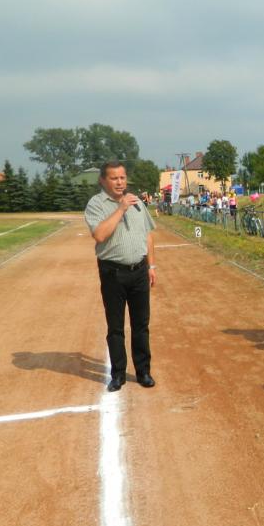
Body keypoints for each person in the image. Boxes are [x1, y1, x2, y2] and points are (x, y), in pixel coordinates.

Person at [84, 161, 157, 392]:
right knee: (115, 327)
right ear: (103, 180)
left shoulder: (137, 202)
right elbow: (99, 235)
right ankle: (117, 374)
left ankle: (143, 371)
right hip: (113, 274)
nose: (120, 182)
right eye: (114, 178)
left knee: (141, 324)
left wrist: (151, 266)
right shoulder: (96, 204)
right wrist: (121, 208)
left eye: (122, 177)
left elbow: (148, 235)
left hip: (139, 272)